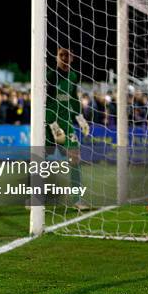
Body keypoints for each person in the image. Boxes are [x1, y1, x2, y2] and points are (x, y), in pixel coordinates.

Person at [46, 47, 90, 209]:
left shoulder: (73, 76)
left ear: (73, 58)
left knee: (75, 157)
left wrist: (80, 118)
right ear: (56, 57)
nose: (64, 58)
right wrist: (53, 125)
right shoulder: (50, 76)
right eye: (61, 55)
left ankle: (77, 199)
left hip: (66, 122)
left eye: (67, 55)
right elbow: (43, 102)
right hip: (48, 123)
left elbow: (73, 98)